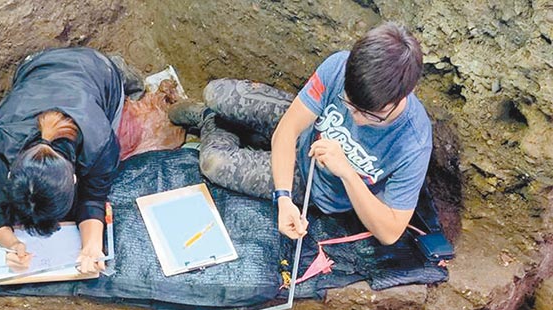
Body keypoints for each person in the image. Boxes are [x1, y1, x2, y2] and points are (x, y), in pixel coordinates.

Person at [170, 22, 432, 246]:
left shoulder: (413, 142)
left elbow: (390, 232)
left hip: (309, 184)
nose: (354, 117)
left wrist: (348, 174)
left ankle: (209, 121)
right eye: (348, 103)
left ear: (401, 97)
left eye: (369, 115)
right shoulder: (340, 67)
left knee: (213, 162)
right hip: (307, 129)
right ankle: (224, 117)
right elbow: (288, 129)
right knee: (216, 93)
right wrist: (282, 199)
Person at [0, 47, 131, 274]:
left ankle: (121, 72)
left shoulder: (99, 142)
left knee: (113, 94)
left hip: (98, 70)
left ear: (74, 178)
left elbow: (93, 195)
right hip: (36, 66)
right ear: (10, 174)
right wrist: (11, 243)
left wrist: (92, 247)